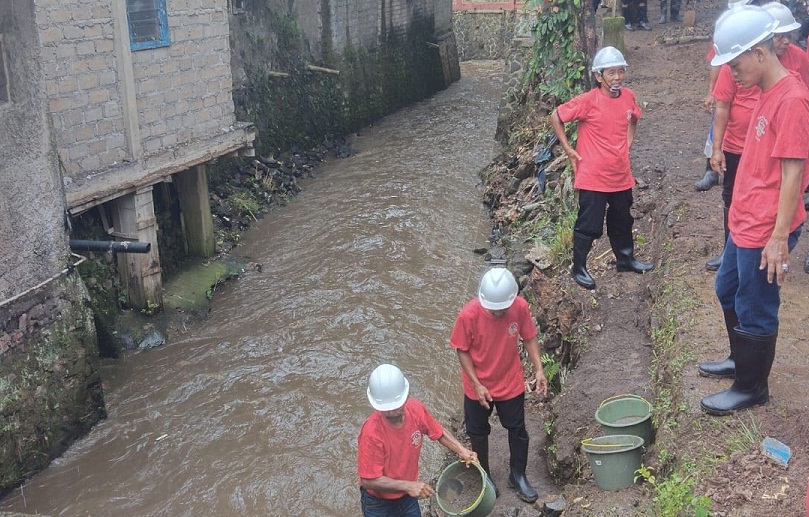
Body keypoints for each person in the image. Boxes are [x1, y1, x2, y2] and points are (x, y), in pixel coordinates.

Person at [699, 5, 809, 416]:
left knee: (757, 306)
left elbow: (794, 171)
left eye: (737, 62)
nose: (732, 71)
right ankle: (739, 360)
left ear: (760, 54)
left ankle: (751, 386)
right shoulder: (764, 91)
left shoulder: (793, 100)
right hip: (745, 221)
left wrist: (779, 237)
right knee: (727, 289)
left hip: (766, 226)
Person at [550, 46, 653, 291]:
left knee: (623, 219)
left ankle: (625, 259)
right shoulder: (588, 101)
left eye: (620, 72)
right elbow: (556, 116)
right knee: (589, 224)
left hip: (620, 175)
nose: (616, 77)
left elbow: (634, 117)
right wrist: (568, 148)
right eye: (611, 73)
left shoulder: (628, 96)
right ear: (599, 76)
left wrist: (629, 141)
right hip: (593, 177)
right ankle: (579, 267)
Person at [449, 266, 548, 503]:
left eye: (503, 309)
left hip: (509, 379)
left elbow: (529, 336)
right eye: (494, 311)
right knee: (478, 432)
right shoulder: (468, 316)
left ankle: (518, 475)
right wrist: (476, 384)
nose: (499, 314)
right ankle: (485, 475)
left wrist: (539, 369)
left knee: (517, 429)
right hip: (478, 385)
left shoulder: (520, 307)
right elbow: (461, 350)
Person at [357, 363, 477, 517]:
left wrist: (462, 450)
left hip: (407, 497)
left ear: (405, 396)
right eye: (387, 409)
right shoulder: (371, 433)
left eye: (396, 406)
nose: (393, 411)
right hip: (378, 503)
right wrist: (408, 486)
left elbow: (439, 432)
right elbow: (368, 480)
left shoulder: (416, 410)